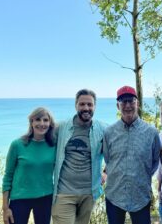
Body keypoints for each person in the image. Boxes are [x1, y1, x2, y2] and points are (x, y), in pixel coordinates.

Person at [103, 85, 161, 224]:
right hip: (114, 195)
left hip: (140, 196)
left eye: (131, 101)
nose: (128, 105)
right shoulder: (109, 132)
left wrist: (140, 176)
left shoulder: (151, 132)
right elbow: (108, 159)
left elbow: (154, 162)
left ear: (137, 103)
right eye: (124, 102)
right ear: (118, 106)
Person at [51, 89, 106, 224]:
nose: (86, 108)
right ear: (76, 105)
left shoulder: (103, 129)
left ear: (95, 106)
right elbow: (42, 143)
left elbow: (116, 154)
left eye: (90, 104)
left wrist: (106, 172)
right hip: (64, 192)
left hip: (89, 193)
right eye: (82, 104)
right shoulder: (61, 127)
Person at [2, 107, 56, 224]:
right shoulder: (17, 144)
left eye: (45, 120)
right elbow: (8, 176)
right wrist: (5, 208)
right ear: (31, 122)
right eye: (38, 119)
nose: (42, 123)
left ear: (50, 123)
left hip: (45, 198)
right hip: (19, 199)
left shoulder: (54, 145)